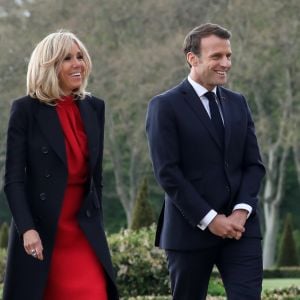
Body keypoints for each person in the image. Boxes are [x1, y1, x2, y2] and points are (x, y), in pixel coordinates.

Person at [146, 23, 266, 299]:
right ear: (193, 58)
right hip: (189, 230)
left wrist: (240, 212)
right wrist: (210, 219)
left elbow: (253, 165)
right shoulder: (164, 106)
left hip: (241, 229)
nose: (226, 63)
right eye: (217, 56)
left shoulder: (238, 103)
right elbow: (168, 173)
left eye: (229, 56)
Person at [3, 30, 119, 300]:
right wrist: (27, 229)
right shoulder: (25, 110)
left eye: (80, 56)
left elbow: (96, 177)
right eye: (67, 58)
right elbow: (13, 180)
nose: (78, 63)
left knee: (95, 293)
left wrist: (97, 221)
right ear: (49, 65)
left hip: (84, 230)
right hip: (43, 232)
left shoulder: (94, 108)